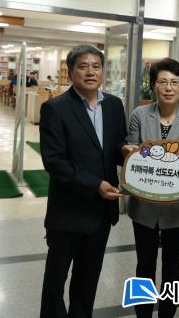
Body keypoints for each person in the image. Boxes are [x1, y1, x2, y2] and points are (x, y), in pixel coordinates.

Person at [39, 44, 128, 318]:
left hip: (101, 214)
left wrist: (126, 151)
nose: (91, 72)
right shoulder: (55, 108)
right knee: (55, 284)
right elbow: (54, 161)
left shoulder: (114, 105)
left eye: (96, 66)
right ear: (70, 71)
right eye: (83, 66)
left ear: (103, 71)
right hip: (67, 212)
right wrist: (95, 184)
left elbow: (116, 146)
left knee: (87, 282)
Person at [125, 58, 179, 318]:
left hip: (178, 207)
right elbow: (132, 154)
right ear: (153, 85)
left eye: (174, 82)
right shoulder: (140, 115)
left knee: (173, 267)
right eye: (162, 82)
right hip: (144, 205)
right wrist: (128, 153)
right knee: (144, 265)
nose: (168, 87)